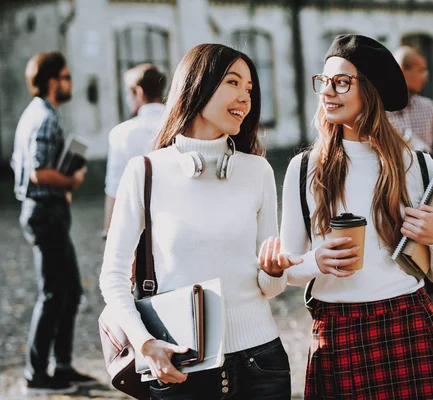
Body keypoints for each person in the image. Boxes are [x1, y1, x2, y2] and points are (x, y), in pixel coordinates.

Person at [263, 34, 433, 399]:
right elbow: (291, 268)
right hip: (337, 330)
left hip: (409, 322)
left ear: (370, 91)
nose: (328, 92)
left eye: (341, 82)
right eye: (324, 82)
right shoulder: (304, 169)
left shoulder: (417, 165)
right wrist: (316, 261)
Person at [99, 44, 294, 399]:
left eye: (250, 88)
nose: (244, 97)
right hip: (180, 366)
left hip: (262, 363)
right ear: (197, 86)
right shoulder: (145, 172)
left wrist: (276, 270)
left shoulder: (258, 171)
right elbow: (112, 278)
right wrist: (145, 344)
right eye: (233, 83)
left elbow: (270, 288)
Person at [11, 51, 94, 394]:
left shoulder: (37, 114)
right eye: (66, 76)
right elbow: (39, 172)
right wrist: (72, 180)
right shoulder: (44, 118)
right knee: (54, 293)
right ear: (51, 81)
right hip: (45, 214)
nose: (70, 82)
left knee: (69, 290)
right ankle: (37, 372)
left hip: (47, 213)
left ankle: (61, 366)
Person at [386, 45, 433, 321]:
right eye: (421, 69)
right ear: (402, 71)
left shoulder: (430, 108)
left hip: (428, 203)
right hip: (392, 204)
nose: (426, 75)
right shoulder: (379, 112)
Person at [104, 63, 166, 235]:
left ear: (138, 92)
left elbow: (114, 187)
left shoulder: (121, 133)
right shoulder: (181, 127)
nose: (127, 98)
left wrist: (109, 232)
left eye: (127, 92)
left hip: (136, 223)